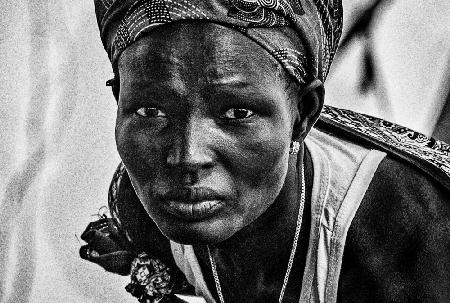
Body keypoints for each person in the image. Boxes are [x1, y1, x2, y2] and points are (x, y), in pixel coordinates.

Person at [80, 1, 450, 302]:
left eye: (238, 113)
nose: (188, 156)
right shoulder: (141, 214)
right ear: (119, 100)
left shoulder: (398, 242)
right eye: (151, 111)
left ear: (303, 114)